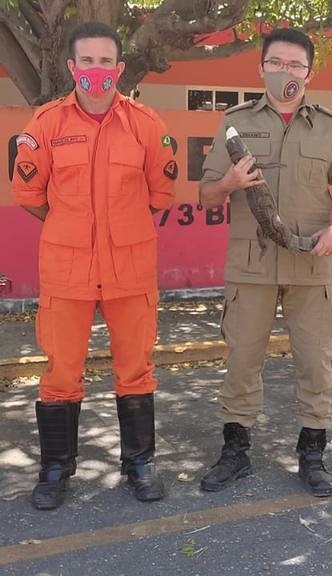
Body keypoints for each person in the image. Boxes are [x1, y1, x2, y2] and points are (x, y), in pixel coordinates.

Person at [11, 21, 176, 510]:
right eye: (87, 60)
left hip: (130, 268)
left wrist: (119, 227)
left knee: (136, 368)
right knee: (61, 372)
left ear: (119, 68)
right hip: (68, 271)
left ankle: (140, 464)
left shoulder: (146, 125)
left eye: (106, 61)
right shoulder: (46, 124)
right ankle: (55, 470)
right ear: (72, 66)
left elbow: (159, 194)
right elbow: (30, 195)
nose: (96, 70)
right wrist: (72, 226)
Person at [199, 27, 332, 497]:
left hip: (312, 264)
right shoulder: (234, 123)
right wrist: (230, 183)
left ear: (309, 73)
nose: (284, 71)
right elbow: (206, 193)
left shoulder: (330, 127)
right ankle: (235, 452)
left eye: (295, 65)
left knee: (315, 364)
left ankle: (312, 454)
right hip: (250, 266)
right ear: (262, 68)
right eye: (276, 63)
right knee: (242, 361)